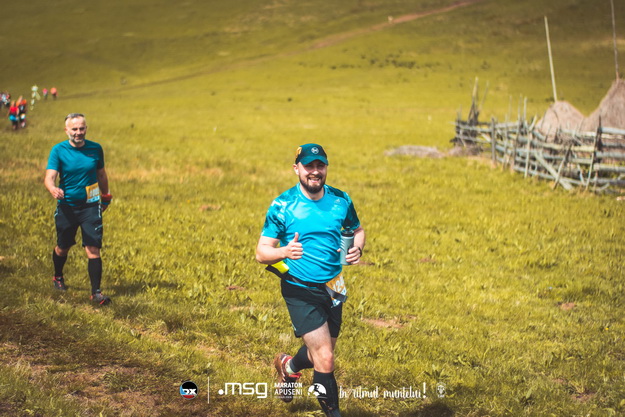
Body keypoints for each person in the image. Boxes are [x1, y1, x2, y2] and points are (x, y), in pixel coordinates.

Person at [256, 143, 365, 417]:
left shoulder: (341, 199)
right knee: (325, 358)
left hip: (333, 287)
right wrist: (284, 251)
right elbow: (261, 253)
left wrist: (357, 248)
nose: (315, 171)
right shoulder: (283, 205)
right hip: (299, 287)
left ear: (326, 167)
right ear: (297, 169)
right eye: (308, 166)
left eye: (320, 165)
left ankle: (288, 367)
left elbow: (357, 230)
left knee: (321, 352)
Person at [44, 113, 113, 305]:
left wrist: (106, 196)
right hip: (67, 206)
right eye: (74, 129)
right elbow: (50, 177)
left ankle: (96, 293)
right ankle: (58, 276)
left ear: (86, 129)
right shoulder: (58, 150)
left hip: (91, 205)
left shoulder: (95, 149)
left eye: (81, 128)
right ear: (66, 130)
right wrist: (52, 188)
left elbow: (101, 174)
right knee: (63, 246)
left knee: (93, 247)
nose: (78, 132)